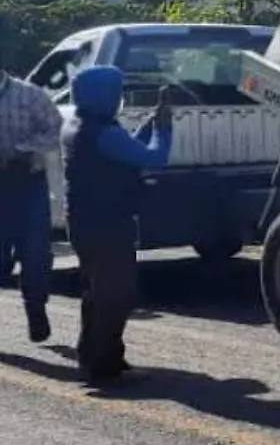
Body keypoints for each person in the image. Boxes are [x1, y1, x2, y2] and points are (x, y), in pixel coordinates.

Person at [61, 65, 172, 384]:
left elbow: (128, 150)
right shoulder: (104, 132)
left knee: (97, 292)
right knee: (116, 295)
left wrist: (150, 123)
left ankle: (92, 354)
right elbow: (154, 158)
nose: (119, 98)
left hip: (84, 222)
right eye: (116, 92)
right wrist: (164, 128)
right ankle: (104, 366)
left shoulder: (82, 125)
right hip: (108, 224)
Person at [0, 65, 62, 343]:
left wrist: (22, 151)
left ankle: (36, 310)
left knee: (35, 254)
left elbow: (55, 128)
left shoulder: (29, 95)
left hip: (27, 183)